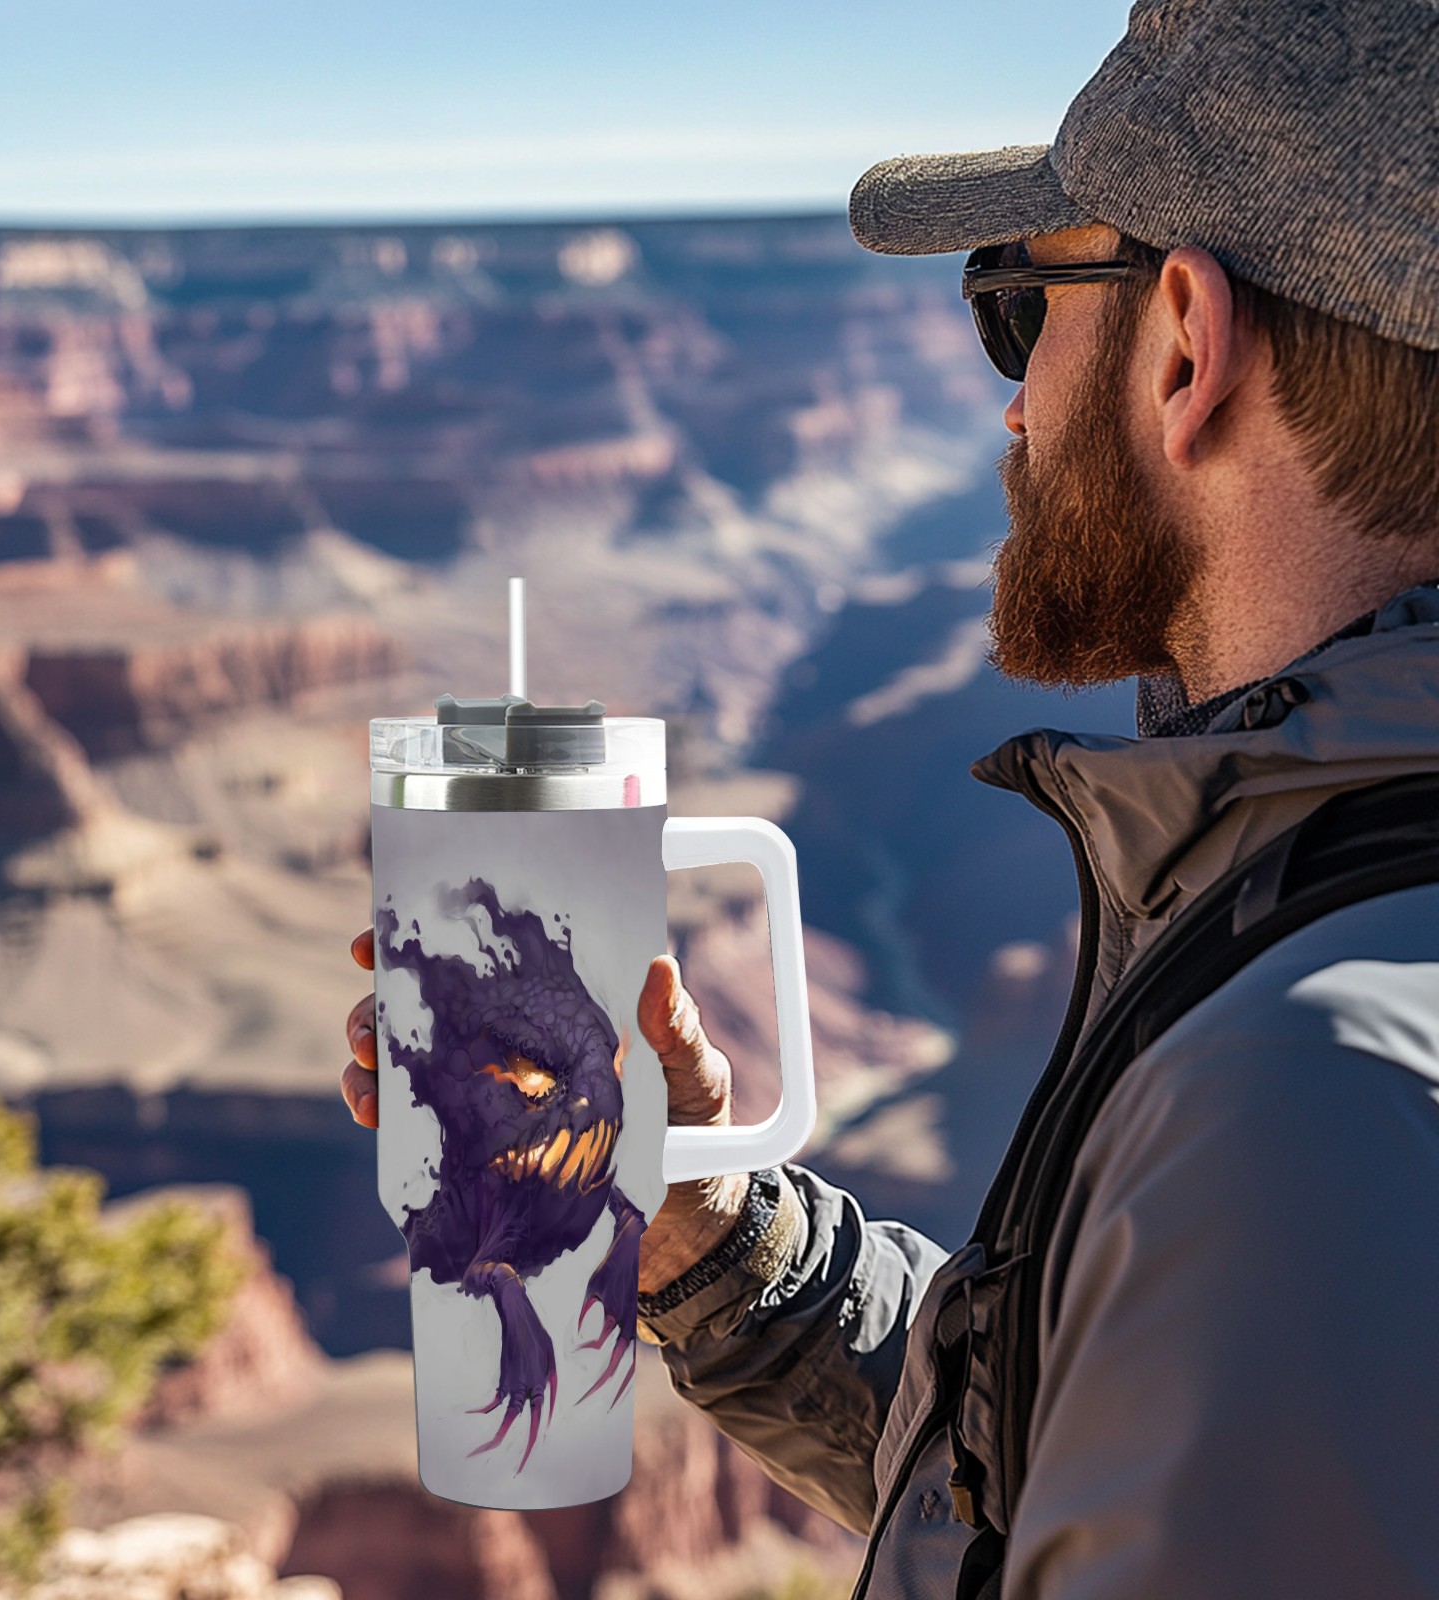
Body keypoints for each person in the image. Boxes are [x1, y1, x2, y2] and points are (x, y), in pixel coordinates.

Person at [343, 0, 1439, 1592]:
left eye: (1021, 305)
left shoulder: (1299, 1104)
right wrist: (704, 1225)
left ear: (1186, 344)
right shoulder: (1332, 967)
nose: (1012, 402)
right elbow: (1080, 1469)